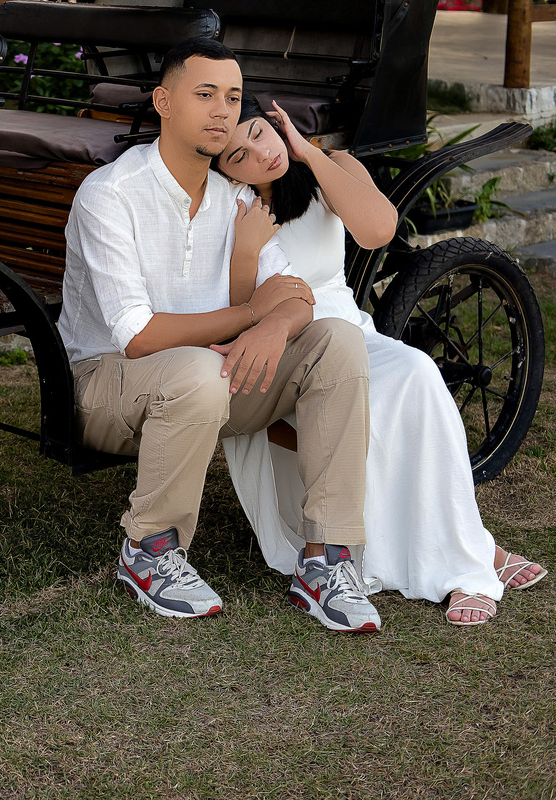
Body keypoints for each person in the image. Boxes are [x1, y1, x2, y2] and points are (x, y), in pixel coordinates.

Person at [58, 37, 383, 632]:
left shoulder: (234, 197)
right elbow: (137, 335)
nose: (221, 111)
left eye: (232, 98)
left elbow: (295, 294)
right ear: (164, 101)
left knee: (336, 341)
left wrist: (274, 325)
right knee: (199, 370)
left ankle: (327, 560)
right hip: (104, 386)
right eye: (204, 94)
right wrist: (247, 318)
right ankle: (149, 550)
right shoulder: (112, 195)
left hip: (213, 380)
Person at [213, 92, 547, 625]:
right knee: (376, 406)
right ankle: (471, 559)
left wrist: (309, 153)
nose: (260, 155)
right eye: (238, 156)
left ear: (274, 123)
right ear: (227, 171)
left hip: (352, 331)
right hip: (290, 352)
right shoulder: (233, 207)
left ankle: (466, 554)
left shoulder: (327, 167)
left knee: (417, 374)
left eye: (259, 133)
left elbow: (378, 230)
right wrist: (246, 250)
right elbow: (236, 311)